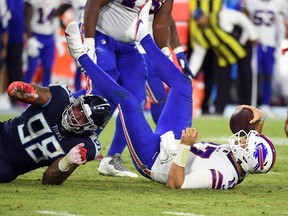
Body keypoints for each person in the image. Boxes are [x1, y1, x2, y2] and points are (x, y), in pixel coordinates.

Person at [65, 1, 276, 189]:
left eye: (244, 144)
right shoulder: (241, 162)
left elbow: (176, 183)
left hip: (154, 159)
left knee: (128, 101)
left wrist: (185, 147)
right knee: (183, 84)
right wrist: (259, 119)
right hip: (172, 142)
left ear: (246, 156)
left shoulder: (223, 175)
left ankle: (81, 55)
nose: (241, 141)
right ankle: (143, 37)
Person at [83, 0, 174, 177]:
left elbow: (162, 22)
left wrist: (164, 51)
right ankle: (73, 140)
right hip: (99, 35)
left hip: (128, 45)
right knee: (103, 89)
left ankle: (112, 158)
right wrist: (88, 42)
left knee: (136, 99)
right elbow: (94, 3)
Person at [0, 80, 111, 184]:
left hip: (7, 165)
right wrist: (25, 90)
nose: (76, 115)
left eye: (84, 118)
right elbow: (37, 94)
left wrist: (67, 162)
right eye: (78, 108)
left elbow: (48, 180)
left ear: (90, 127)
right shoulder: (59, 98)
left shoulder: (85, 145)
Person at [188, 7, 258, 114]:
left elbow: (242, 19)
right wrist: (189, 74)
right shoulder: (202, 34)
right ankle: (219, 109)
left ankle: (248, 109)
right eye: (197, 20)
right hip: (224, 56)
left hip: (241, 48)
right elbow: (198, 56)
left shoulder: (222, 16)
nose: (200, 22)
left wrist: (253, 35)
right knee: (222, 82)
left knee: (246, 77)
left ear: (205, 15)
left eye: (200, 18)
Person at [242, 0, 288, 118]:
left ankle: (265, 104)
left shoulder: (279, 3)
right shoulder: (251, 2)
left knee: (268, 75)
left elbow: (281, 24)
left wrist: (279, 44)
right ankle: (251, 105)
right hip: (255, 43)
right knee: (253, 75)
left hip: (271, 44)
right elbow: (243, 18)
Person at [23, 0, 61, 87]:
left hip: (49, 36)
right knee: (32, 67)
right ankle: (23, 93)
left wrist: (57, 36)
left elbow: (55, 17)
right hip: (36, 35)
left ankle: (45, 95)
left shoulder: (57, 2)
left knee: (48, 68)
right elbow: (26, 17)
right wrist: (30, 38)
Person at [6, 0, 25, 108]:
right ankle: (7, 95)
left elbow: (21, 16)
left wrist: (25, 33)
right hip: (7, 35)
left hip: (17, 36)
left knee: (16, 67)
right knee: (9, 67)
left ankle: (16, 97)